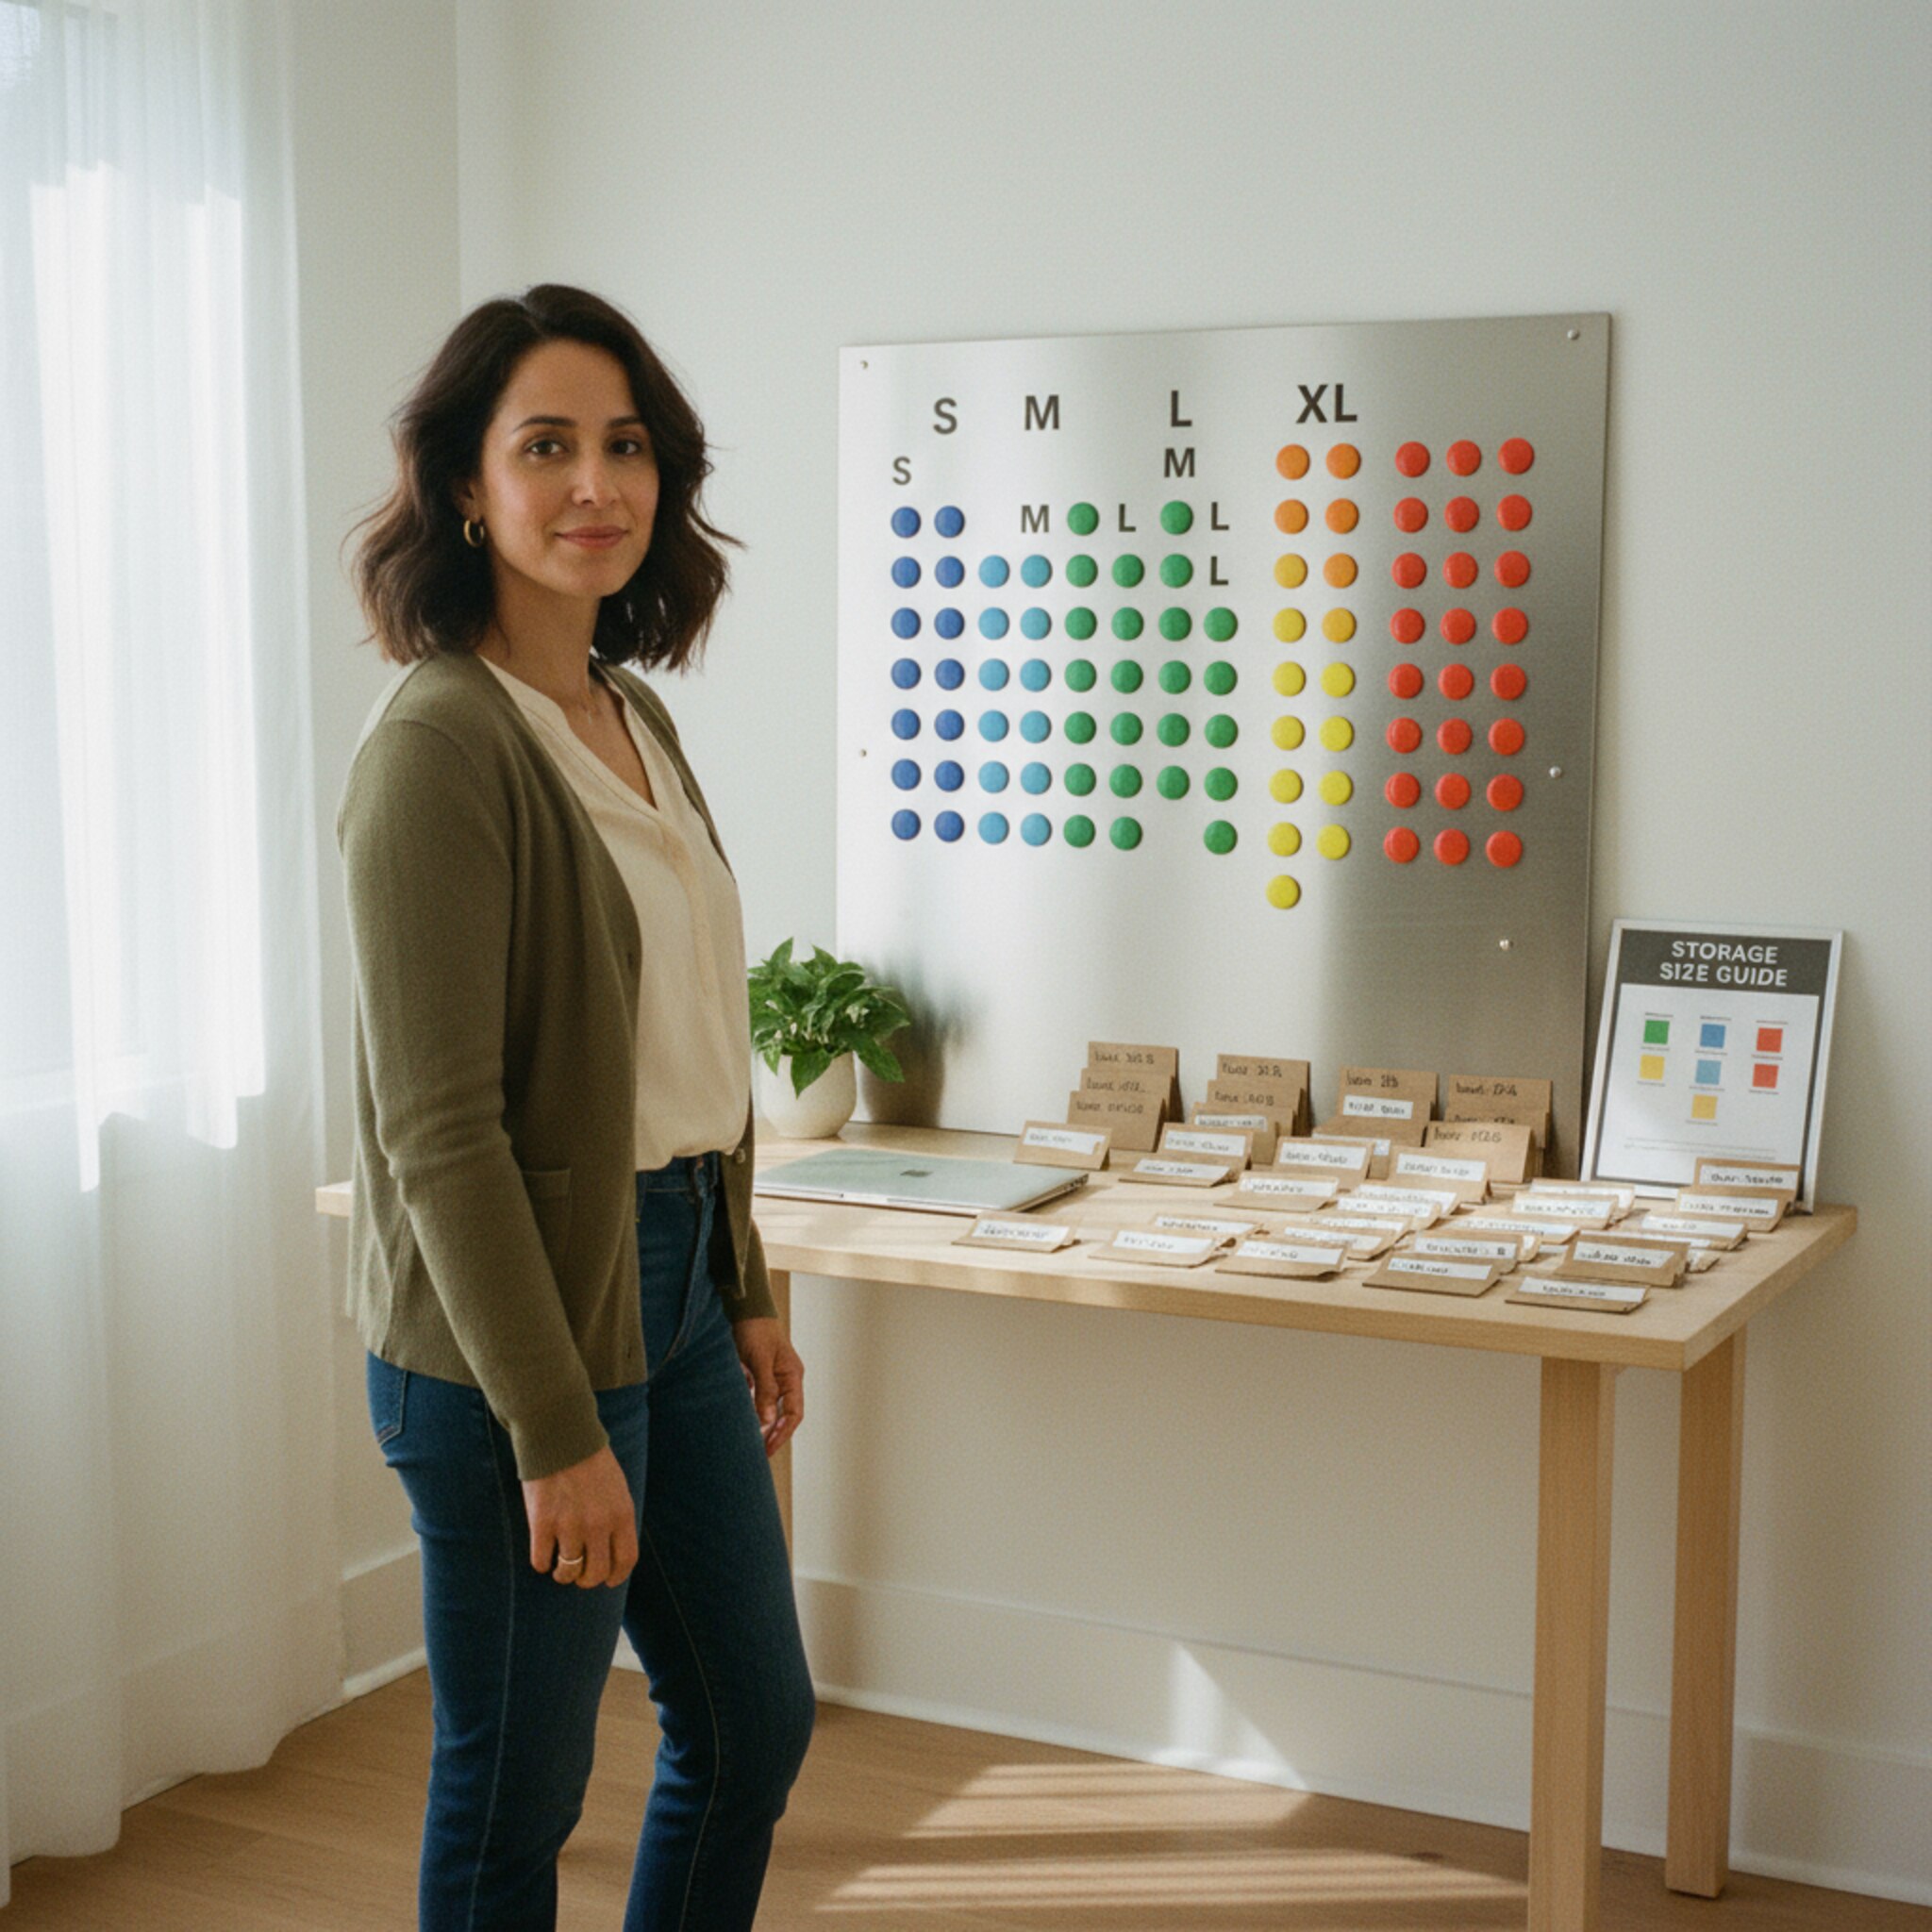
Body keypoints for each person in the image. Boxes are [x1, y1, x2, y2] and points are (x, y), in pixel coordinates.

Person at [339, 284, 815, 1931]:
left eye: (627, 447)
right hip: (511, 1345)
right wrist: (553, 1437)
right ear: (468, 484)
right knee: (517, 1801)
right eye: (546, 446)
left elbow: (691, 1026)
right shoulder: (437, 753)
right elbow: (440, 1135)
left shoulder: (634, 714)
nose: (594, 484)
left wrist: (738, 1282)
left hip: (672, 1282)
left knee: (755, 1724)